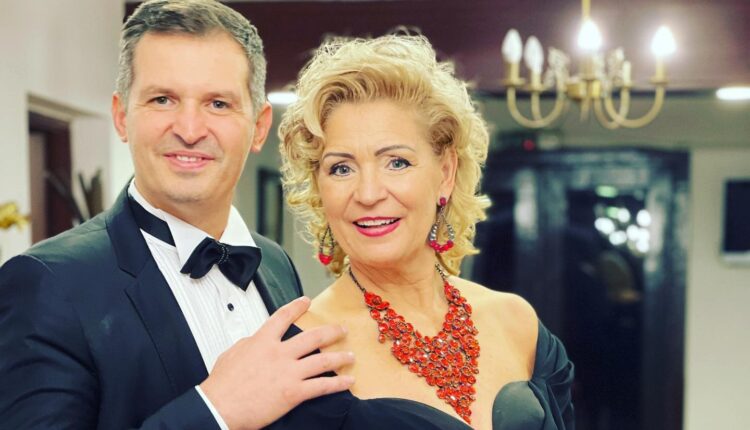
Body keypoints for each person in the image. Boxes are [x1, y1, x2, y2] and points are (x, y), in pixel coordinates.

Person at [0, 1, 355, 428]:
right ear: (121, 116)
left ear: (259, 126)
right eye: (163, 99)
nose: (189, 130)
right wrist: (215, 411)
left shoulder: (276, 263)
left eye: (218, 103)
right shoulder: (46, 283)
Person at [273, 34, 575, 429]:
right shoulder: (303, 353)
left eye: (396, 162)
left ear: (445, 173)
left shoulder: (516, 323)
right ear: (319, 187)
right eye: (341, 168)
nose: (368, 194)